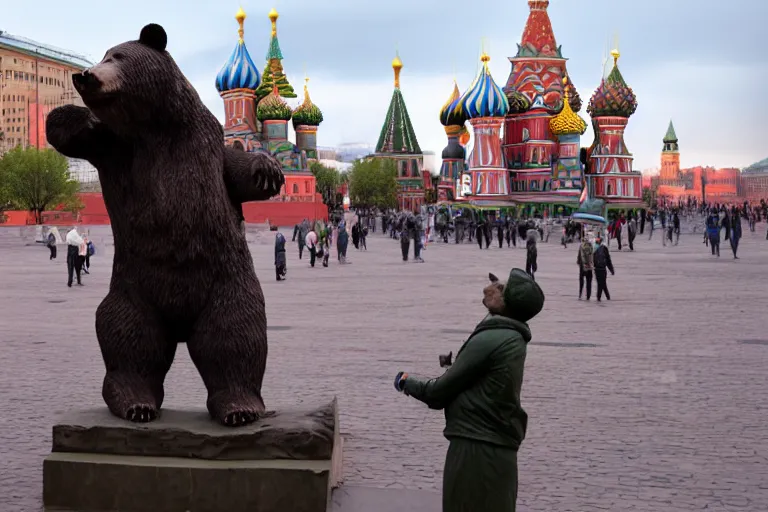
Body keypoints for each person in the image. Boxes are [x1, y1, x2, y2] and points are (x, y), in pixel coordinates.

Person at [394, 269, 545, 512]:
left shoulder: (493, 338)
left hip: (476, 450)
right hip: (494, 449)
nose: (495, 287)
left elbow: (438, 392)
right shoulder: (512, 336)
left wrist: (406, 382)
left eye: (502, 288)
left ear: (507, 302)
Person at [593, 235, 614, 302]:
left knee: (601, 283)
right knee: (602, 283)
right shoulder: (598, 248)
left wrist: (611, 269)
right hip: (599, 268)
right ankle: (604, 297)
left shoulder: (596, 248)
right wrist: (611, 269)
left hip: (599, 269)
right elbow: (608, 260)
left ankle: (601, 297)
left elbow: (608, 260)